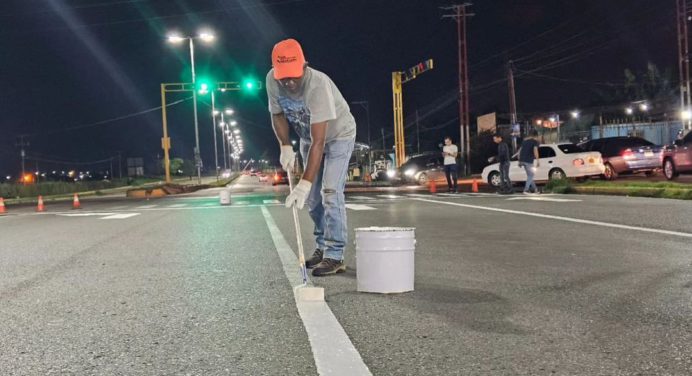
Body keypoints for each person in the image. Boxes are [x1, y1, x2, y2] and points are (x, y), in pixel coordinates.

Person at [266, 38, 356, 276]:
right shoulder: (272, 81)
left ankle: (335, 255)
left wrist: (304, 184)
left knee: (329, 192)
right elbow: (277, 115)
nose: (289, 81)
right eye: (283, 76)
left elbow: (320, 142)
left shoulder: (317, 85)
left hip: (338, 136)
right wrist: (285, 146)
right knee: (314, 201)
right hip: (307, 139)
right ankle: (322, 247)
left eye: (294, 75)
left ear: (304, 66)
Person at [518, 130, 540, 194]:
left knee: (530, 176)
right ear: (536, 136)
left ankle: (536, 189)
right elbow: (535, 150)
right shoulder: (535, 142)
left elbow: (519, 151)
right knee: (531, 175)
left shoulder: (524, 141)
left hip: (522, 160)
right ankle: (526, 190)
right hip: (528, 161)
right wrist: (538, 160)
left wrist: (519, 161)